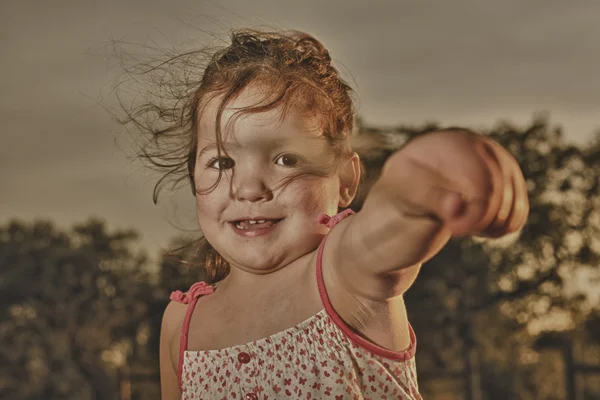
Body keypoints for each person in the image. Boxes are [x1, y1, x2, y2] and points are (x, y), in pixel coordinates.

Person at [150, 29, 529, 399]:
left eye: (286, 159)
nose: (249, 189)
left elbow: (383, 232)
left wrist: (419, 184)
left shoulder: (341, 274)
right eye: (221, 161)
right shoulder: (179, 323)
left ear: (346, 180)